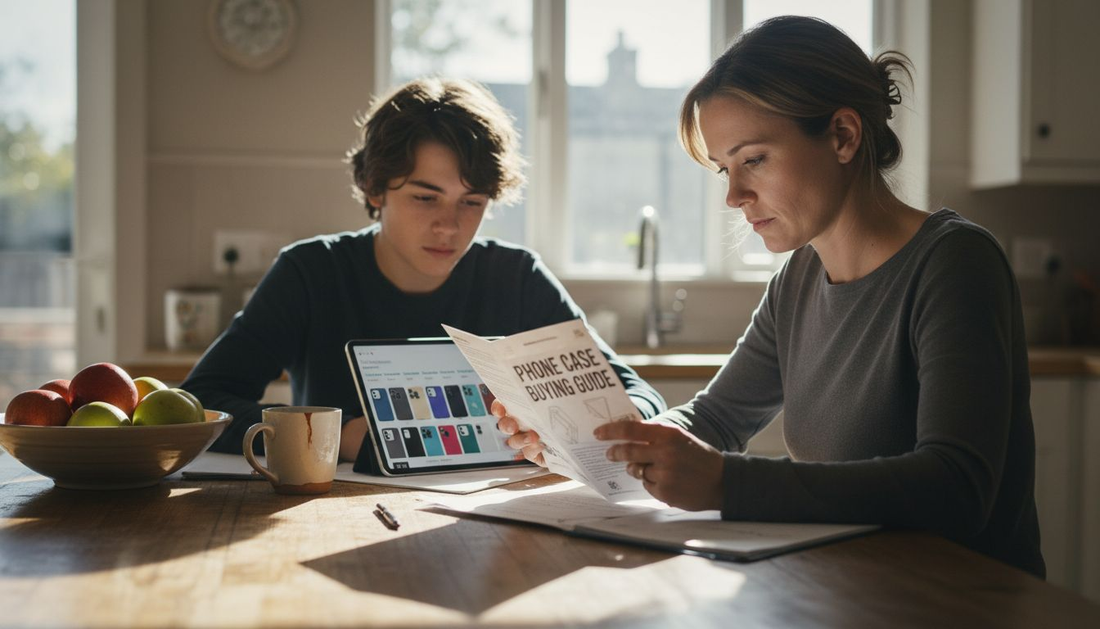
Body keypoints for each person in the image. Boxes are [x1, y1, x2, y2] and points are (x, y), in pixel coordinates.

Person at [499, 16, 1044, 577]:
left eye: (754, 159)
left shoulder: (954, 264)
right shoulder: (800, 277)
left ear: (843, 136)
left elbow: (956, 488)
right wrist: (589, 443)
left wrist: (727, 482)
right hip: (850, 591)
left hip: (962, 603)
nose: (734, 195)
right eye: (725, 170)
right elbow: (712, 418)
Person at [183, 77, 665, 462]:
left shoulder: (515, 276)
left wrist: (591, 425)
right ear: (375, 189)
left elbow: (634, 396)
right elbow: (202, 401)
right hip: (333, 512)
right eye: (425, 197)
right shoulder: (311, 272)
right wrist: (333, 436)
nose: (449, 226)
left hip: (491, 517)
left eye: (471, 202)